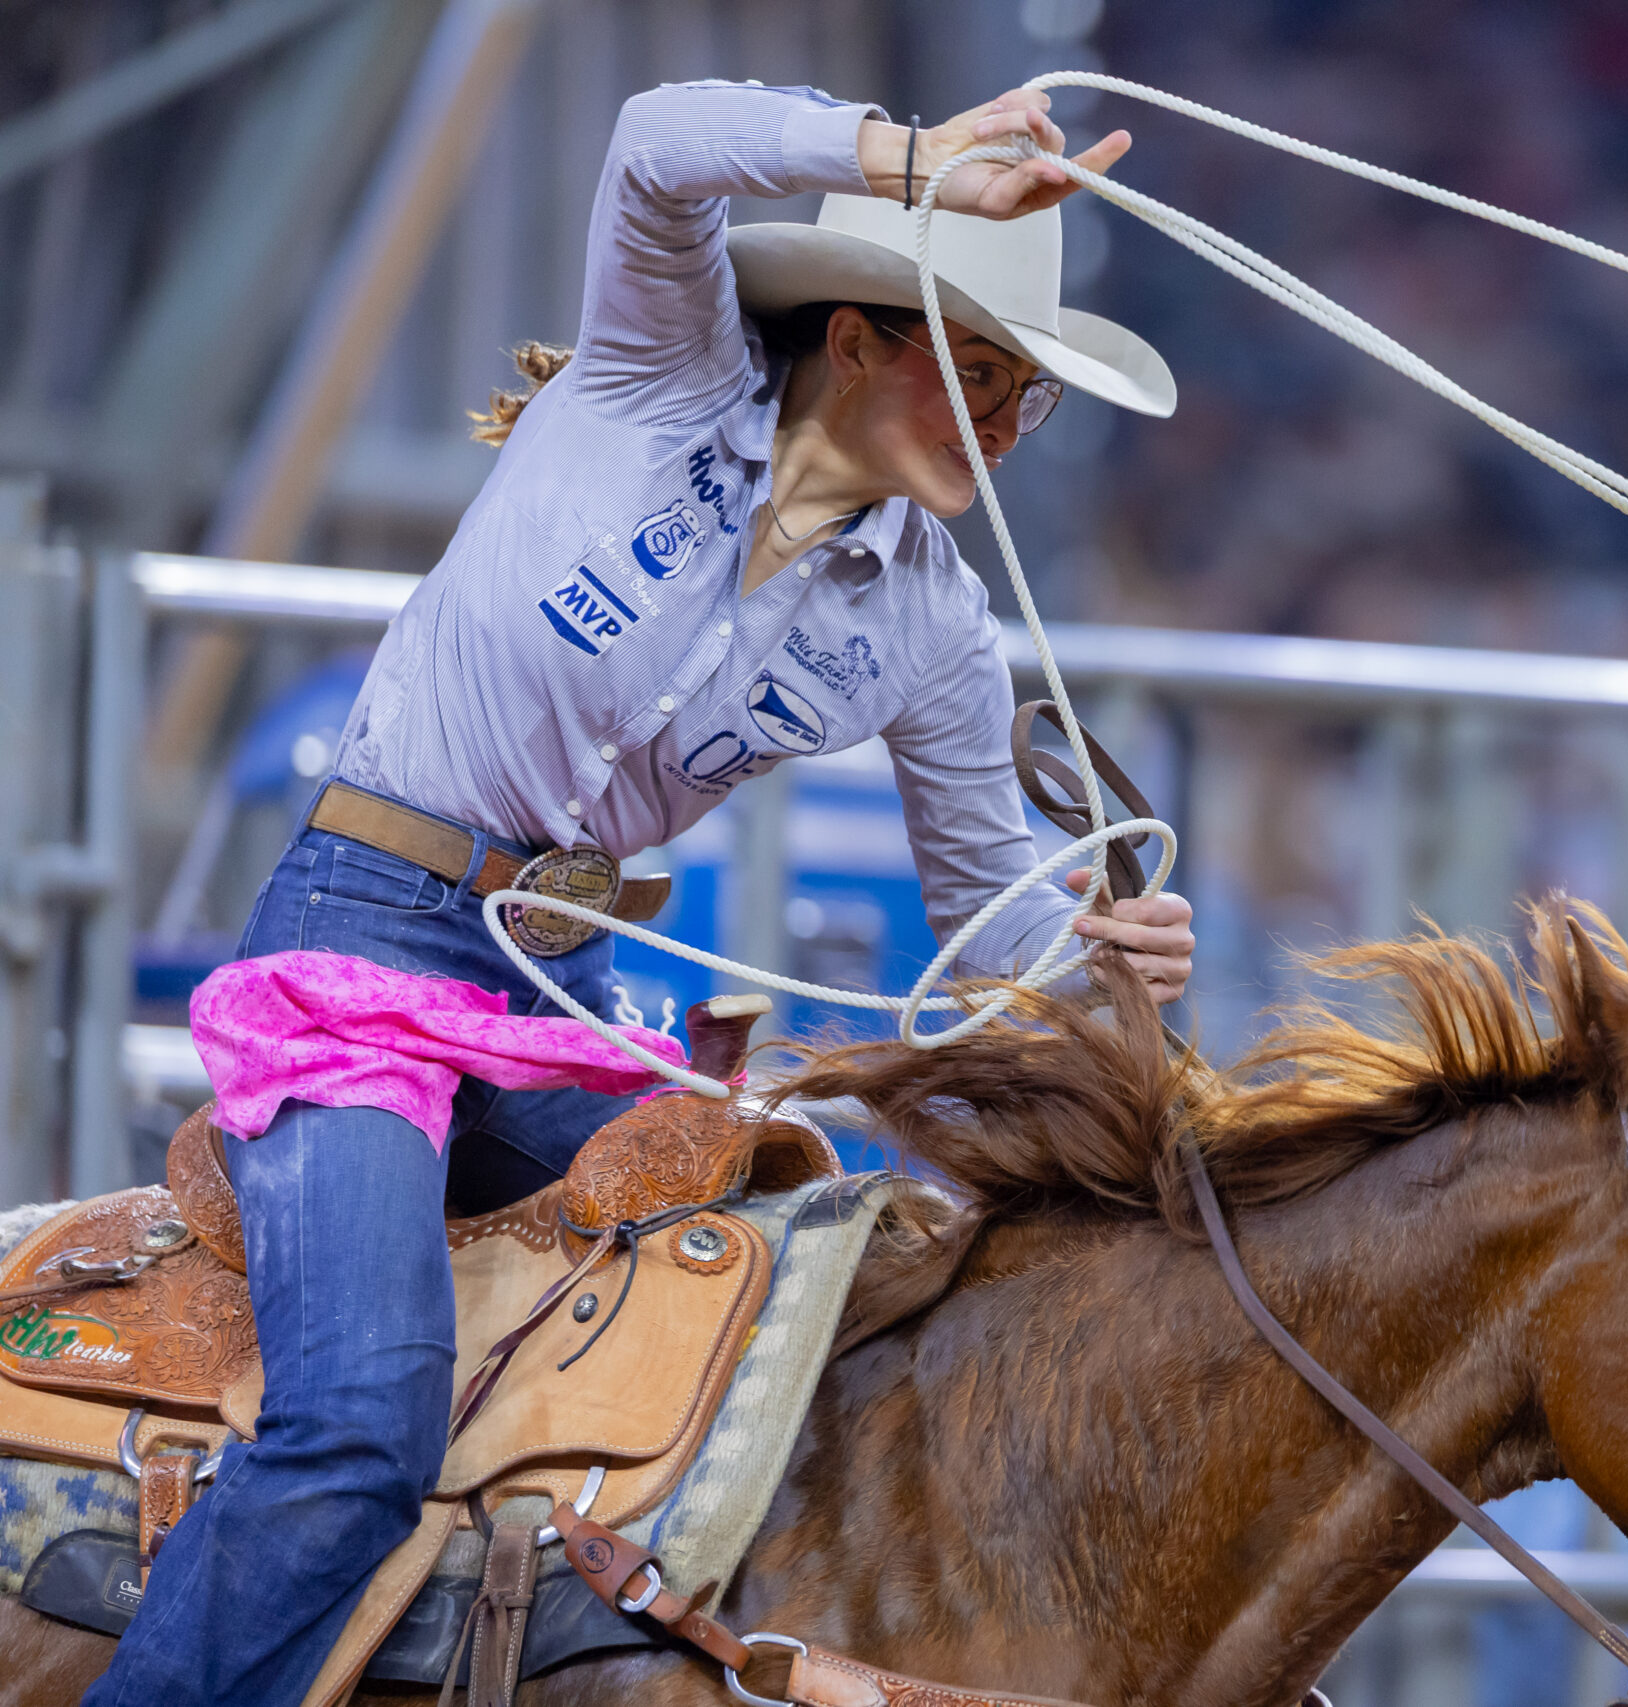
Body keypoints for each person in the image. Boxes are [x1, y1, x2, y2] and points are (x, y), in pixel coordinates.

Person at [88, 80, 1194, 1707]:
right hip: (364, 934)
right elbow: (657, 140)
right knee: (356, 1425)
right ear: (858, 333)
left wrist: (1115, 963)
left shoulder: (937, 625)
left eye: (1027, 398)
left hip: (564, 997)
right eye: (975, 367)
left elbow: (998, 936)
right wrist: (907, 160)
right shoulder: (653, 376)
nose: (1001, 423)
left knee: (790, 1317)